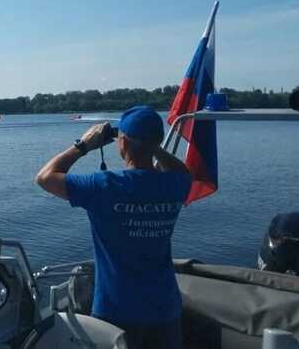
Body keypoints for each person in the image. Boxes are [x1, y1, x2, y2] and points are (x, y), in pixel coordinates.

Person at [35, 105, 192, 349]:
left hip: (116, 309)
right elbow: (183, 171)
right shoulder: (176, 184)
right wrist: (153, 147)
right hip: (165, 307)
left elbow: (45, 177)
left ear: (123, 143)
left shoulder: (104, 186)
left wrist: (84, 145)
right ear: (158, 142)